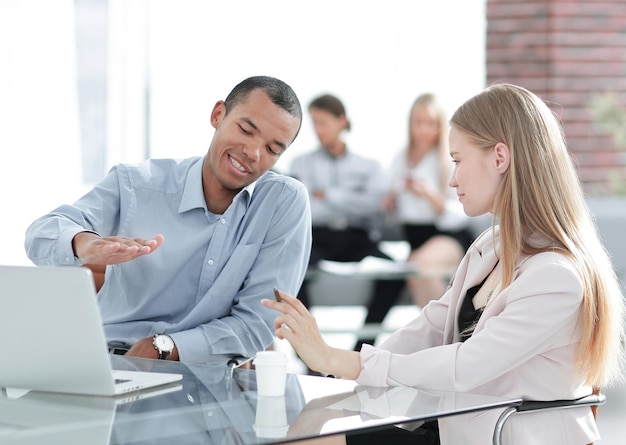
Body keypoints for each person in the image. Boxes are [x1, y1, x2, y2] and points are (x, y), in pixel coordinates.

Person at [264, 83, 626, 445]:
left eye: (457, 160)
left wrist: (338, 360)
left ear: (500, 157)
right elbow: (429, 328)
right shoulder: (490, 247)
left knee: (313, 438)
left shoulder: (557, 277)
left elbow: (465, 366)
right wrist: (340, 375)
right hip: (455, 426)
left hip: (496, 437)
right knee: (311, 425)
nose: (452, 179)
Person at [24, 75, 312, 364]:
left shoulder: (282, 204)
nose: (253, 153)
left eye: (273, 149)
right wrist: (83, 243)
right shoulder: (137, 184)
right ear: (218, 115)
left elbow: (257, 325)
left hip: (206, 383)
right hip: (110, 364)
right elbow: (41, 233)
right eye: (246, 130)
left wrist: (166, 347)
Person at [288, 94, 406, 349]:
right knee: (292, 268)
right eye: (314, 123)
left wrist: (326, 194)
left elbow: (375, 203)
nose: (317, 130)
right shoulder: (301, 163)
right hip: (316, 238)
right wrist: (354, 199)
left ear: (341, 121)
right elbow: (304, 208)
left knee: (397, 275)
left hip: (357, 239)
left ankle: (362, 349)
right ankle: (310, 352)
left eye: (323, 122)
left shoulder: (370, 166)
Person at [383, 93, 475, 308]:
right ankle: (440, 336)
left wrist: (429, 195)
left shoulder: (447, 160)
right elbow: (396, 208)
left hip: (447, 236)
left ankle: (443, 334)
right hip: (415, 239)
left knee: (417, 265)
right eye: (419, 122)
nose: (424, 129)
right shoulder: (400, 158)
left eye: (430, 123)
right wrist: (391, 202)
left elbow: (460, 213)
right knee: (422, 276)